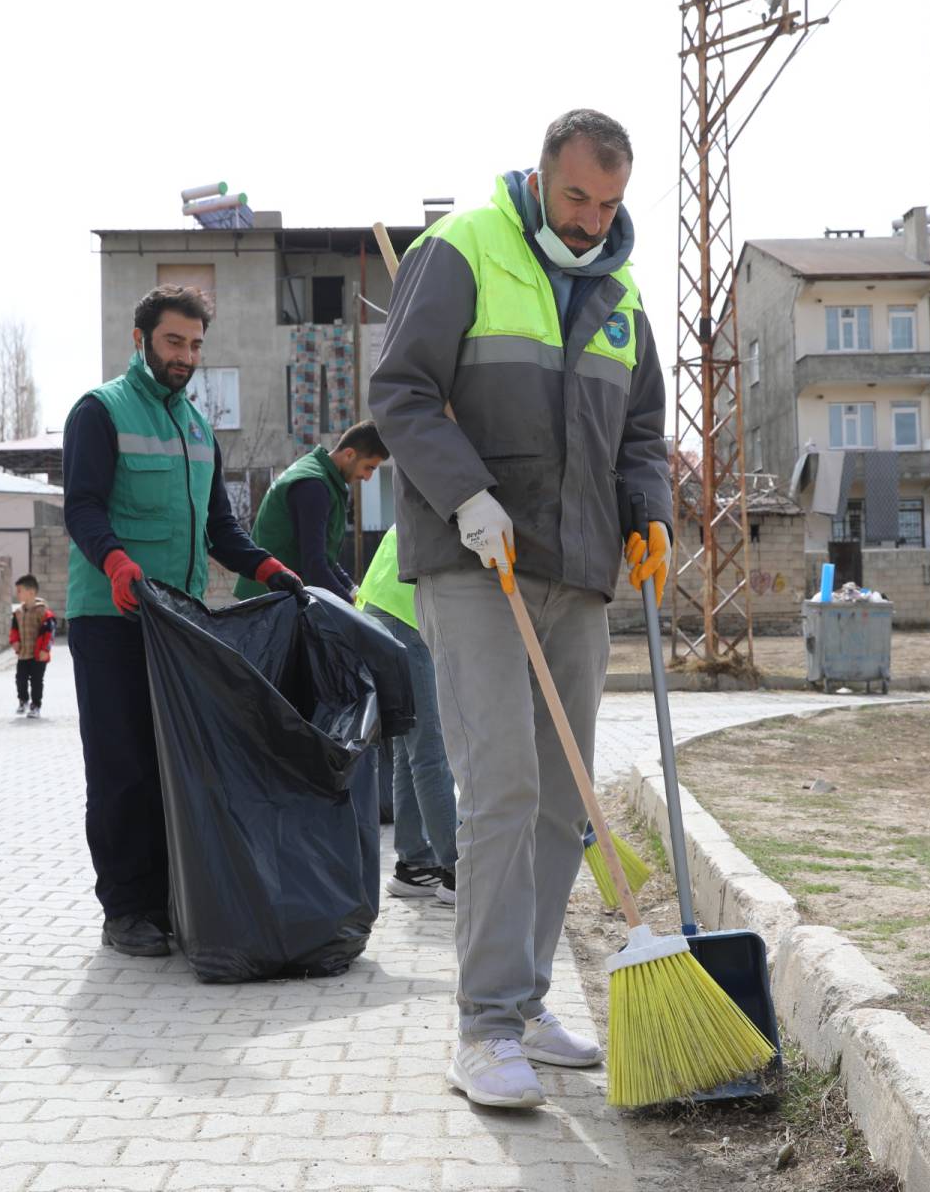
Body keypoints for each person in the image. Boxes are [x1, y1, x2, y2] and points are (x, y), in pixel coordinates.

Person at [369, 109, 672, 1109]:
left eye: (610, 204)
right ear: (543, 176)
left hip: (579, 572)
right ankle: (483, 1026)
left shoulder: (622, 293)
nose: (590, 221)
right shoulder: (460, 250)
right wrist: (466, 494)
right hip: (476, 560)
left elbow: (641, 431)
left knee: (561, 802)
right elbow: (402, 391)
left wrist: (649, 513)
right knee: (499, 786)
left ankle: (527, 996)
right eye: (578, 196)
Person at [63, 284, 303, 958]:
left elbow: (221, 528)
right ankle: (127, 908)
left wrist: (269, 569)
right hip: (111, 616)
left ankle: (171, 898)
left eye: (196, 344)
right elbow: (81, 506)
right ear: (140, 340)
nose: (186, 356)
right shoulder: (100, 412)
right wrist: (114, 564)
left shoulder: (196, 428)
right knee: (123, 765)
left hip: (178, 620)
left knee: (174, 762)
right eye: (174, 341)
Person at [355, 527, 457, 906]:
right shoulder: (469, 488)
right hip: (407, 613)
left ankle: (414, 863)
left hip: (384, 608)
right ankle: (457, 869)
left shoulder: (439, 474)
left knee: (408, 746)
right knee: (430, 750)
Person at [235, 421, 388, 604]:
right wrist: (351, 609)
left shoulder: (318, 475)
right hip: (267, 604)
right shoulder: (314, 486)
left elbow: (322, 556)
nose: (368, 477)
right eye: (369, 467)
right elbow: (314, 566)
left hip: (272, 598)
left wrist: (352, 590)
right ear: (349, 454)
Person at [9, 573, 53, 718]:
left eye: (20, 590)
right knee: (20, 679)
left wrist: (45, 649)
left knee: (36, 681)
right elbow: (14, 629)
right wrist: (14, 641)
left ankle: (36, 706)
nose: (18, 594)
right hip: (23, 654)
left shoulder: (43, 612)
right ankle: (23, 701)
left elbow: (49, 632)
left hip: (38, 655)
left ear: (31, 592)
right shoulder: (18, 612)